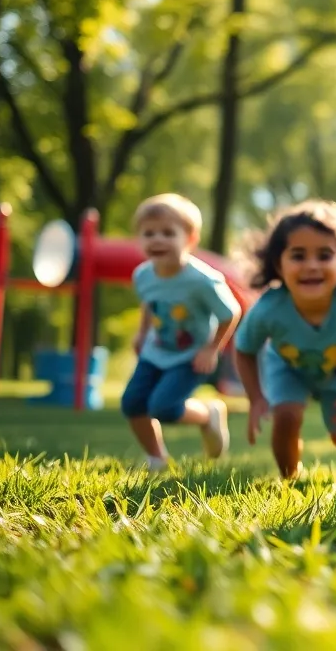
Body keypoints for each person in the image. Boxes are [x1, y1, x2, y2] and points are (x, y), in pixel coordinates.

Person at [233, 200, 336, 479]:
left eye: (324, 256)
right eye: (298, 256)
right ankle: (289, 479)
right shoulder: (268, 308)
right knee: (286, 417)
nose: (312, 266)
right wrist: (256, 398)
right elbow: (244, 349)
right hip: (287, 369)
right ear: (278, 263)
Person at [122, 193, 241, 471]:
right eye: (148, 233)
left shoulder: (202, 280)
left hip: (192, 354)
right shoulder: (143, 275)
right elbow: (149, 304)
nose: (157, 240)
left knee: (163, 408)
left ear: (189, 238)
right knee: (132, 403)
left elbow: (230, 313)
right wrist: (142, 334)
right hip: (156, 349)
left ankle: (208, 414)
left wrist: (211, 349)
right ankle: (156, 458)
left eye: (167, 232)